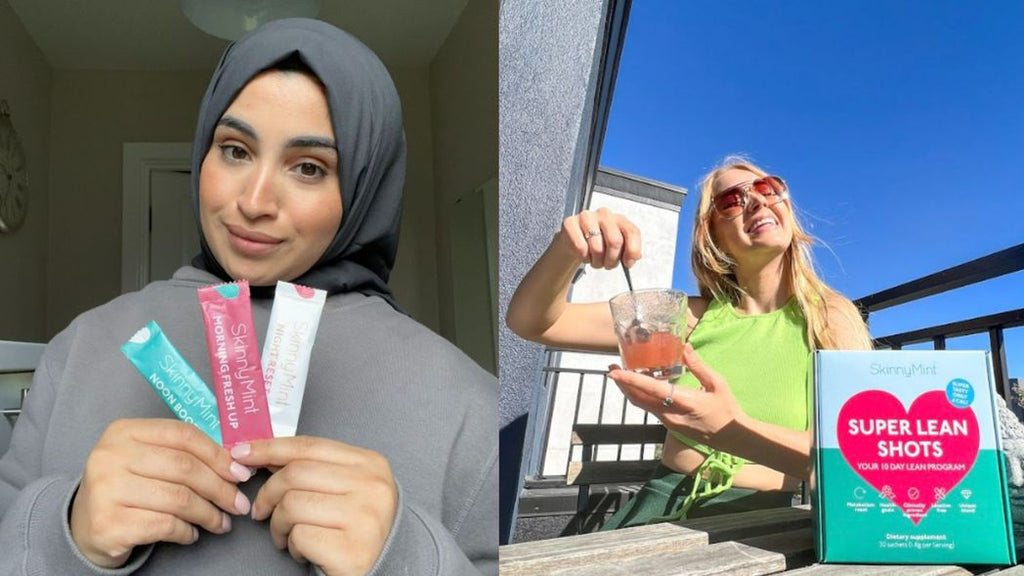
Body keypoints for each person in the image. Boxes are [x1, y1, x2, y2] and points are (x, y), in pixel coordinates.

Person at [0, 19, 497, 575]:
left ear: (363, 187)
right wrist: (63, 532)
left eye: (309, 167)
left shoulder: (467, 401)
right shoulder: (80, 348)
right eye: (235, 150)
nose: (255, 201)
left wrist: (408, 558)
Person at [507, 157, 872, 528]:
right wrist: (567, 250)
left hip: (763, 519)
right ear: (711, 235)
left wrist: (728, 428)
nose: (757, 202)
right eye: (732, 200)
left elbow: (858, 459)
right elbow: (534, 322)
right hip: (659, 508)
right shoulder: (686, 316)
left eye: (768, 188)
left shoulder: (828, 317)